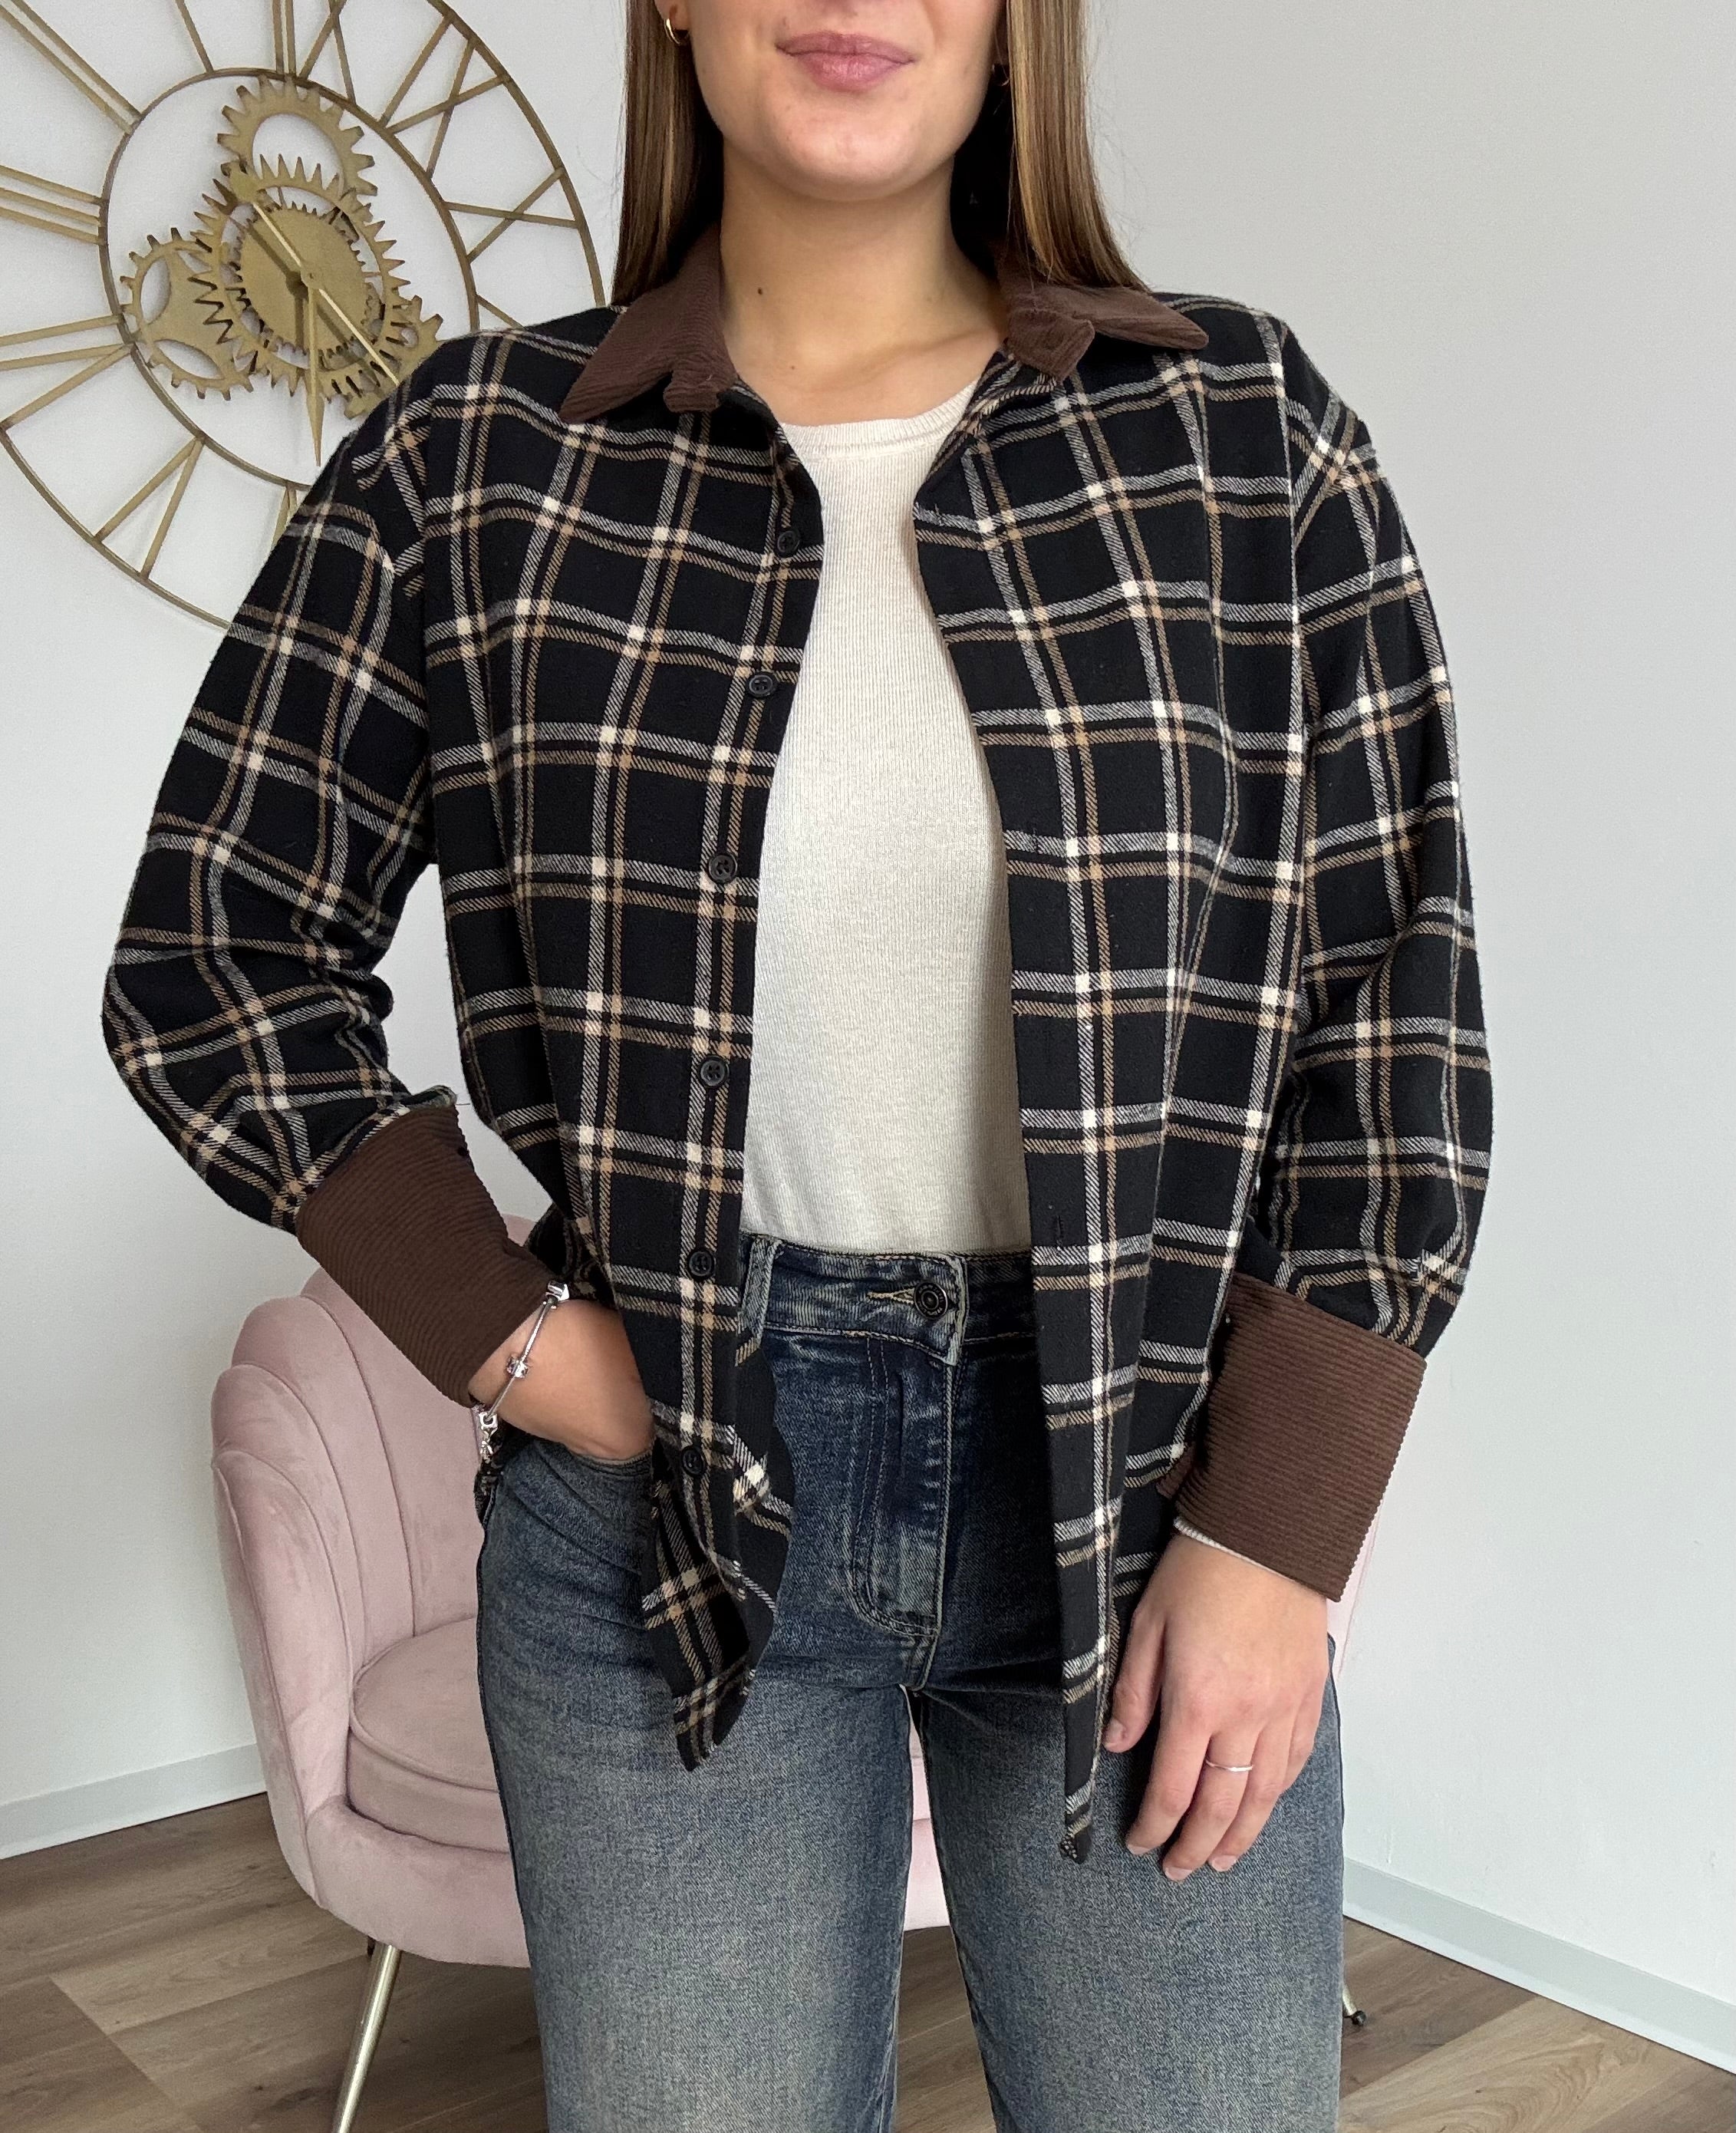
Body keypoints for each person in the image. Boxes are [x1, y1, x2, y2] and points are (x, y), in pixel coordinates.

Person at [101, 1, 1492, 2126]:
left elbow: (1394, 997)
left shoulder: (1237, 434)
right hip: (664, 1507)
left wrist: (1281, 1532)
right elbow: (215, 946)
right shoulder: (478, 458)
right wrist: (520, 1347)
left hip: (1147, 1486)